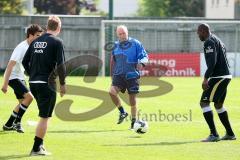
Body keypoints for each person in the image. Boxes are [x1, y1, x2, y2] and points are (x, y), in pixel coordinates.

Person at [22, 15, 66, 156]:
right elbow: (61, 65)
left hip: (34, 83)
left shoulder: (36, 41)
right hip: (47, 84)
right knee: (45, 117)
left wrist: (32, 74)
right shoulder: (57, 42)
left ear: (47, 26)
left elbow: (24, 61)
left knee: (43, 115)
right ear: (58, 28)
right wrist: (63, 84)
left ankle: (39, 145)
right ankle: (36, 148)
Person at [197, 23, 236, 142]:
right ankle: (230, 133)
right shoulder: (217, 39)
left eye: (198, 32)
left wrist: (205, 79)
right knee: (218, 105)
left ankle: (214, 134)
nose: (197, 34)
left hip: (219, 76)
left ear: (204, 31)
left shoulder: (209, 42)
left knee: (204, 102)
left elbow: (212, 63)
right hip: (225, 75)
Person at [1, 24, 43, 133]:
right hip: (13, 78)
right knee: (29, 97)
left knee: (22, 103)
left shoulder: (31, 46)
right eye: (38, 35)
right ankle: (17, 122)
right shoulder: (22, 47)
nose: (39, 38)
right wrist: (5, 84)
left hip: (20, 77)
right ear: (30, 35)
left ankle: (8, 124)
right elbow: (10, 65)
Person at [109, 25, 148, 129]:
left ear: (127, 32)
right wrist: (111, 74)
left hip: (132, 75)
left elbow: (144, 56)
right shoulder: (115, 46)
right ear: (117, 35)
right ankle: (122, 112)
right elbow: (113, 60)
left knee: (132, 100)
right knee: (111, 92)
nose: (122, 35)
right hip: (118, 75)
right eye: (120, 34)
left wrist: (142, 63)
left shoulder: (136, 43)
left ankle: (134, 122)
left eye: (124, 33)